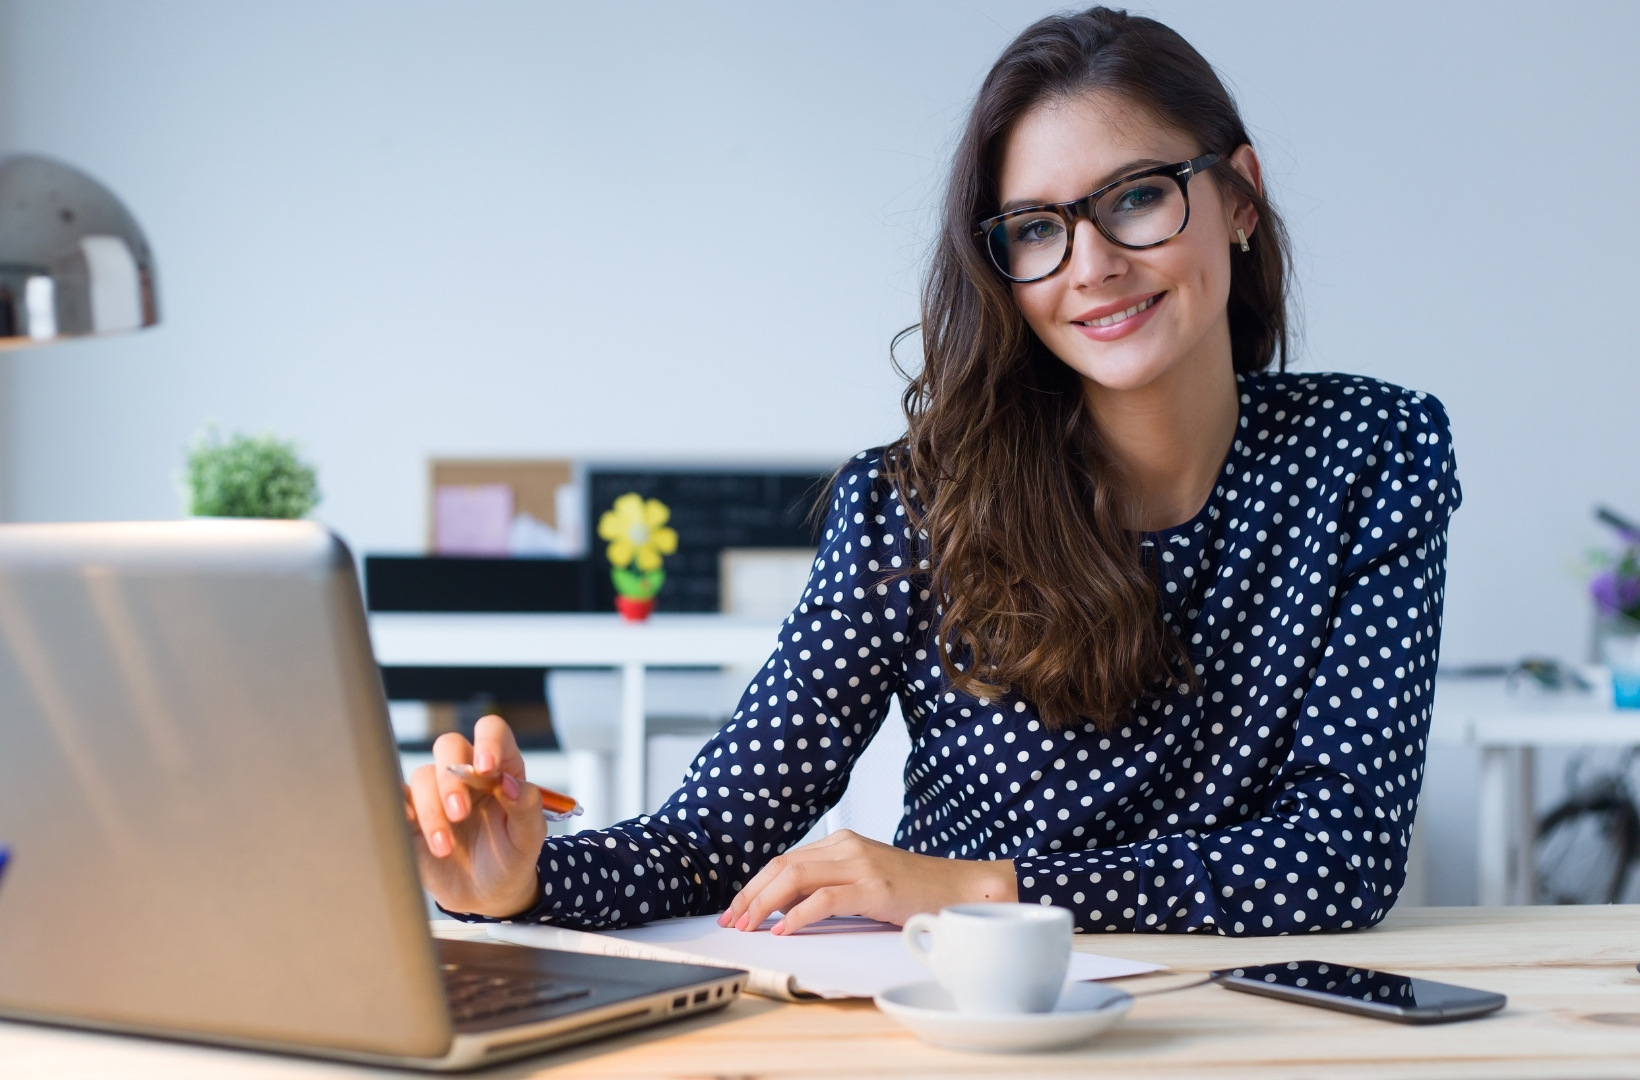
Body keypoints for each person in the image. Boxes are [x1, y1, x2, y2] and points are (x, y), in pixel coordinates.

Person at [406, 6, 1460, 938]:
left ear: (1238, 197)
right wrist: (514, 882)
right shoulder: (917, 506)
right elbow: (712, 838)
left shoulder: (1371, 456)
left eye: (1135, 197)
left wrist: (975, 887)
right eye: (1037, 228)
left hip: (1260, 1038)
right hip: (963, 1030)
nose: (1089, 266)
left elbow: (1339, 855)